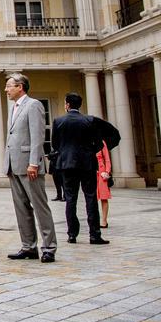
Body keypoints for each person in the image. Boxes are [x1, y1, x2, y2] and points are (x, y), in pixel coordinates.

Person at [4, 73, 58, 263]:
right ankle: (28, 246)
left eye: (9, 86)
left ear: (20, 87)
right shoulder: (14, 108)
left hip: (29, 165)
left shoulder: (33, 105)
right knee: (21, 208)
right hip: (14, 164)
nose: (6, 89)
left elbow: (37, 136)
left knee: (40, 207)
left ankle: (49, 247)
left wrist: (34, 162)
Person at [52, 92, 108, 245]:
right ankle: (94, 235)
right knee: (90, 198)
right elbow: (99, 144)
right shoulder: (89, 120)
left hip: (67, 164)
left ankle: (72, 234)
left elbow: (55, 144)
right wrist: (89, 151)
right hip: (87, 164)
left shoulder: (59, 121)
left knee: (70, 199)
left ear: (67, 105)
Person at [97, 141, 112, 228]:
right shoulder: (86, 141)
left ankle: (104, 220)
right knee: (91, 198)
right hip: (91, 171)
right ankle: (95, 219)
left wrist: (107, 171)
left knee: (104, 197)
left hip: (102, 173)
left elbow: (107, 159)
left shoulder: (101, 143)